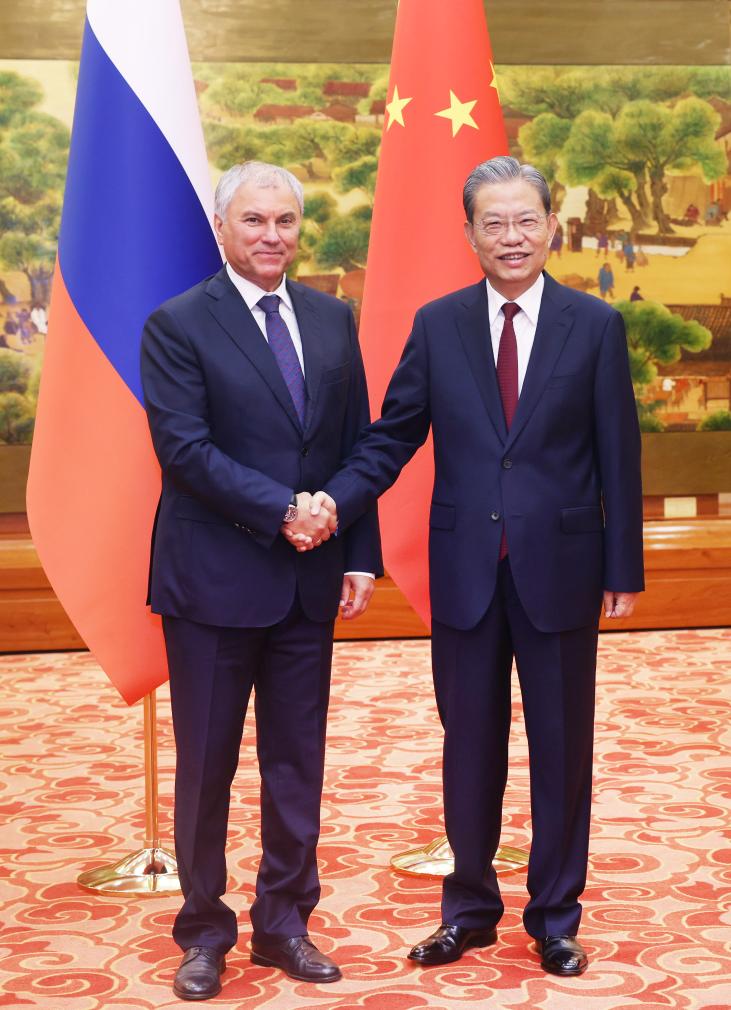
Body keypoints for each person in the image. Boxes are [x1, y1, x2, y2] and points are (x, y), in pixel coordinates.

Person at [303, 156, 644, 977]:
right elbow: (392, 435)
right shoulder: (439, 323)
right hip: (464, 571)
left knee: (561, 748)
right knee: (469, 747)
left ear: (551, 226)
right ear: (469, 235)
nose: (511, 237)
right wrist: (333, 501)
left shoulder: (594, 324)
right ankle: (468, 912)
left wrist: (622, 567)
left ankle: (554, 916)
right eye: (493, 223)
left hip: (561, 568)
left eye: (525, 220)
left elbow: (618, 452)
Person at [140, 161, 382, 999]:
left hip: (308, 581)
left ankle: (284, 923)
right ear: (222, 228)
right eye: (253, 220)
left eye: (284, 220)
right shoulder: (177, 323)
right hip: (212, 583)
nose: (271, 235)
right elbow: (184, 450)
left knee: (296, 765)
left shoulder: (332, 316)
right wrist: (284, 509)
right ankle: (204, 931)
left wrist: (355, 549)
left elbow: (355, 443)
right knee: (207, 768)